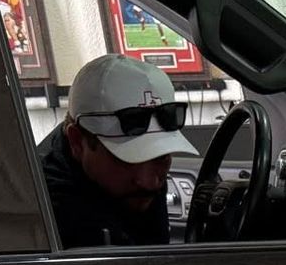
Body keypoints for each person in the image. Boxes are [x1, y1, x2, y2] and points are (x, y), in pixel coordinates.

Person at [38, 55, 197, 248]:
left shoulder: (140, 185)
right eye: (127, 160)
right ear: (77, 142)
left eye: (161, 156)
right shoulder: (50, 218)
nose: (149, 182)